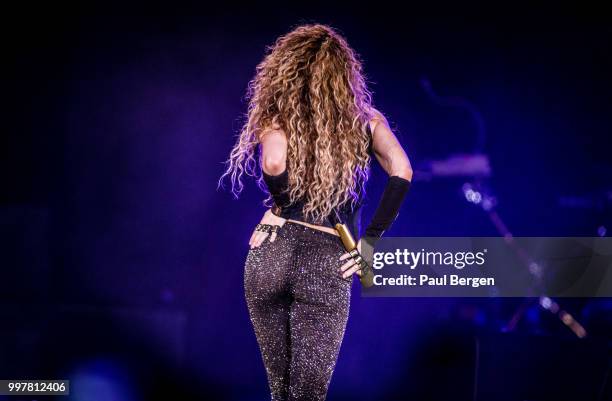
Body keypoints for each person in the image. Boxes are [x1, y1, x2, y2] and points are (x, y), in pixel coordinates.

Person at [218, 23, 412, 401]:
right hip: (326, 260)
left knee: (279, 391)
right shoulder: (366, 120)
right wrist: (369, 244)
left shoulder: (278, 117)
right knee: (308, 394)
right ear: (344, 75)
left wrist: (281, 206)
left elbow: (273, 163)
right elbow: (402, 171)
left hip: (270, 250)